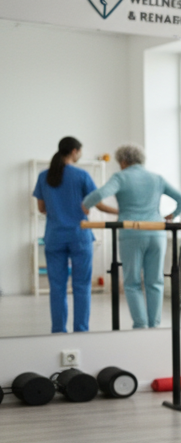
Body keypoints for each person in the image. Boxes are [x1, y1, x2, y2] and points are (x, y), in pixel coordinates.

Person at [82, 145, 181, 329]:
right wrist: (172, 215)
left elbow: (100, 194)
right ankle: (154, 324)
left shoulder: (121, 177)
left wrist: (86, 205)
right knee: (155, 281)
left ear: (123, 161)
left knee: (132, 282)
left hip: (131, 233)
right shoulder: (157, 178)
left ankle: (140, 324)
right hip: (156, 232)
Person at [32, 137, 113, 333]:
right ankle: (81, 330)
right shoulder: (81, 175)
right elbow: (97, 203)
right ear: (75, 151)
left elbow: (41, 208)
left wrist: (58, 209)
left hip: (54, 237)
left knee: (57, 288)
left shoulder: (44, 176)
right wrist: (119, 212)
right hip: (79, 236)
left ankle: (58, 331)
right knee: (82, 286)